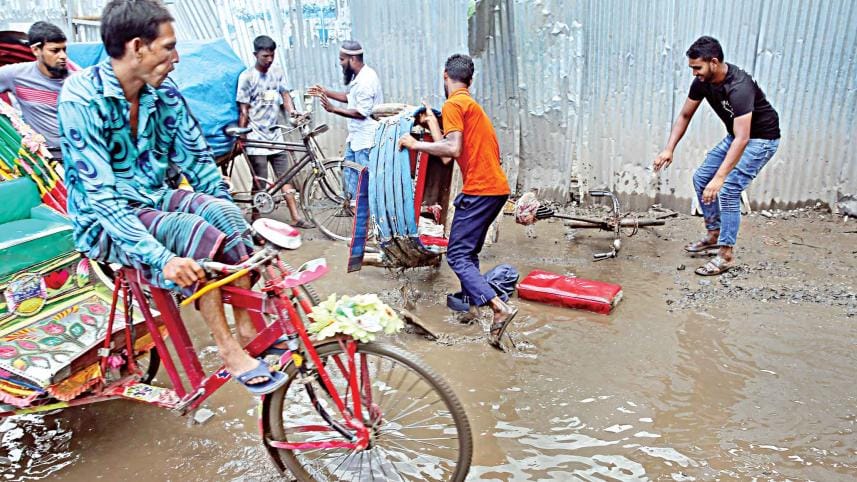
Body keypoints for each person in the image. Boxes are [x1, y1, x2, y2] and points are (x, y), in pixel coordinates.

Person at [58, 0, 286, 394]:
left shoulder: (164, 94)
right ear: (136, 47)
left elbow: (198, 163)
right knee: (191, 232)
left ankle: (248, 325)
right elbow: (103, 199)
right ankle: (227, 347)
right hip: (103, 220)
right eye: (168, 47)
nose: (176, 58)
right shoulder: (81, 99)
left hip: (153, 197)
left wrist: (230, 222)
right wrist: (163, 259)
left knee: (225, 216)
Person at [397, 54, 517, 347]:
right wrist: (431, 124)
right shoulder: (469, 106)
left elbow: (451, 148)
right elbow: (449, 153)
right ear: (470, 80)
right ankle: (472, 309)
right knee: (469, 254)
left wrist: (415, 143)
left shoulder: (453, 104)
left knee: (457, 256)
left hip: (481, 190)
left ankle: (498, 308)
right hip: (496, 190)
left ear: (444, 75)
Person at [654, 36, 780, 276]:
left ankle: (725, 254)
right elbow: (685, 116)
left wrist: (720, 177)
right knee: (702, 178)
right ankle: (714, 234)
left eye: (697, 67)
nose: (694, 73)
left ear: (714, 62)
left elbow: (743, 139)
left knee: (729, 189)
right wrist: (669, 148)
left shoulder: (739, 86)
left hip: (762, 139)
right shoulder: (703, 82)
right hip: (738, 136)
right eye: (692, 68)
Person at [236, 35, 312, 228]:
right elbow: (243, 109)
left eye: (271, 55)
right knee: (260, 182)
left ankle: (295, 216)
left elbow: (285, 95)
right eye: (264, 56)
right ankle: (256, 216)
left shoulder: (277, 73)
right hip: (256, 138)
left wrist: (293, 111)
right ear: (255, 55)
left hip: (275, 135)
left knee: (285, 177)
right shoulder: (246, 77)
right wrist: (242, 136)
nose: (269, 60)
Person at [307, 40, 383, 201]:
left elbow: (362, 112)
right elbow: (350, 98)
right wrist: (325, 92)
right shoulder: (361, 77)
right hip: (356, 139)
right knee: (350, 180)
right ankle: (354, 215)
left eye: (342, 59)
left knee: (364, 186)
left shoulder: (366, 81)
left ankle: (364, 220)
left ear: (352, 59)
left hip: (366, 141)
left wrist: (333, 109)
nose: (340, 63)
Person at [0, 21, 70, 160]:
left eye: (64, 50)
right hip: (45, 160)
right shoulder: (15, 75)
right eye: (55, 51)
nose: (63, 56)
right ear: (36, 50)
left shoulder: (77, 80)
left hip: (80, 155)